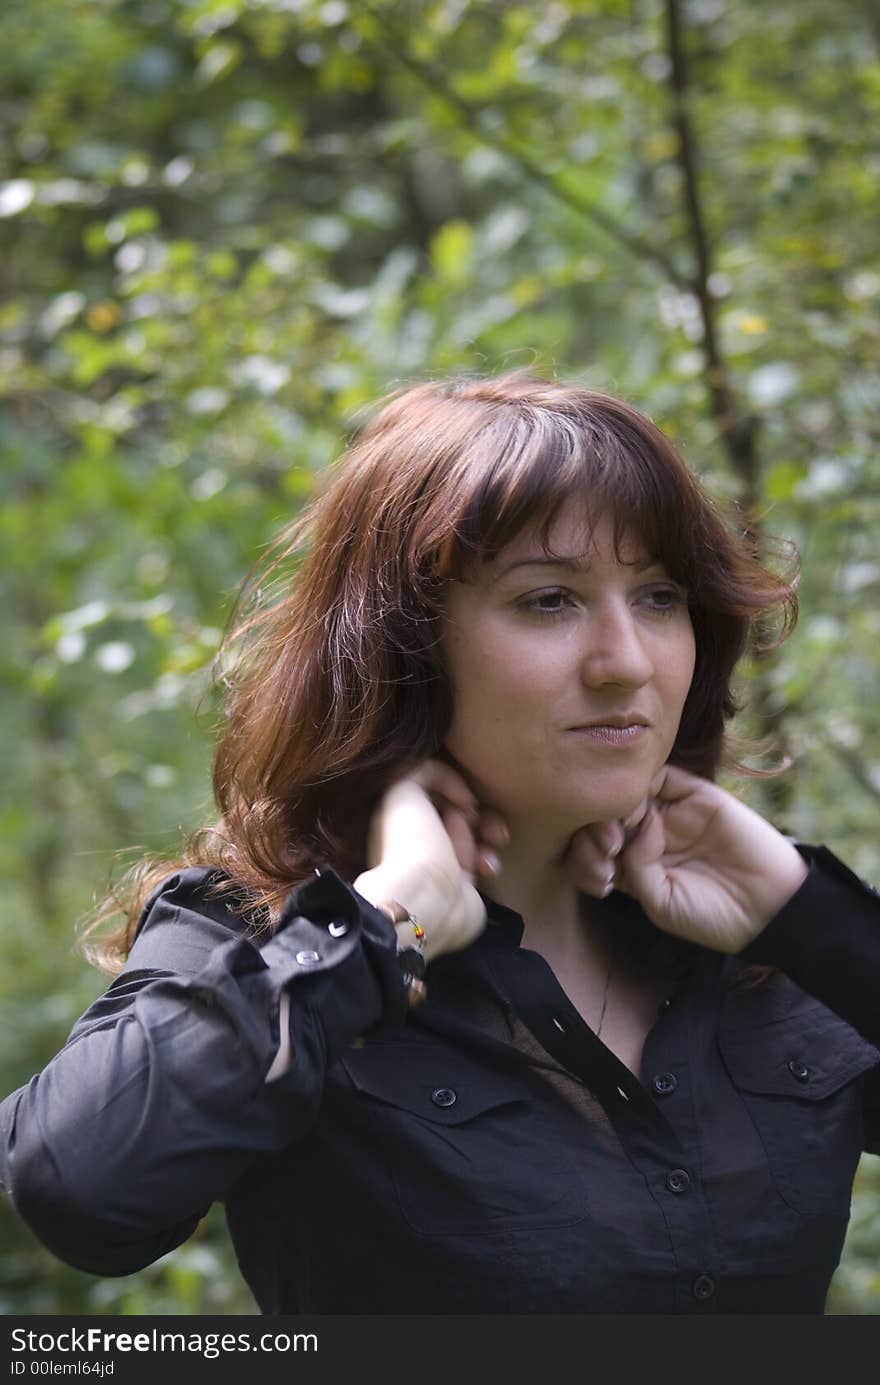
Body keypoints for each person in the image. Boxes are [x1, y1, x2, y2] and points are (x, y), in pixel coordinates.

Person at [2, 371, 879, 1316]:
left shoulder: (755, 946)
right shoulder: (258, 932)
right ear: (405, 647)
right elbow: (76, 1187)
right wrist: (388, 921)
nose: (627, 660)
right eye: (549, 600)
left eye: (660, 596)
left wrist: (803, 912)